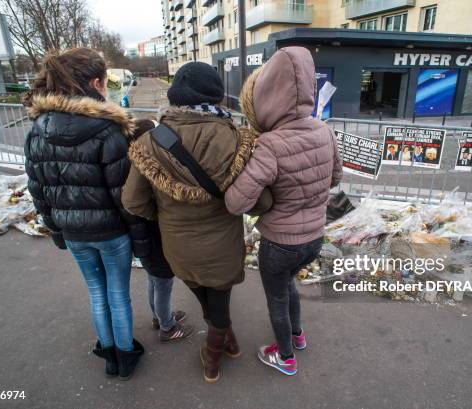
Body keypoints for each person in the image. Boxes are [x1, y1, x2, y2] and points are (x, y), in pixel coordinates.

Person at [122, 61, 271, 383]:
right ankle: (213, 357)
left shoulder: (149, 142)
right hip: (223, 246)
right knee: (218, 299)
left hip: (177, 246)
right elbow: (261, 201)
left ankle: (221, 346)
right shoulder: (237, 139)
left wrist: (165, 215)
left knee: (205, 298)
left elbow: (133, 201)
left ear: (175, 96)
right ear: (217, 97)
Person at [23, 48, 147, 380]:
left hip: (73, 232)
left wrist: (56, 229)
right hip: (111, 233)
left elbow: (37, 188)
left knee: (96, 291)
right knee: (117, 293)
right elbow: (123, 195)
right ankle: (124, 355)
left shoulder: (37, 128)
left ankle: (108, 354)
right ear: (95, 83)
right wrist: (138, 235)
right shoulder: (108, 130)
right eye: (106, 82)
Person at [225, 47, 343, 376]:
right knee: (289, 285)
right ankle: (297, 335)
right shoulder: (324, 130)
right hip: (314, 237)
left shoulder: (269, 145)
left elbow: (237, 203)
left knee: (277, 296)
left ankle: (286, 357)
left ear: (267, 95)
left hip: (280, 243)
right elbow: (335, 178)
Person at [129, 119, 194, 343]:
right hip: (155, 238)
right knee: (163, 283)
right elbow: (137, 202)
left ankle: (159, 317)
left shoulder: (132, 164)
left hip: (143, 241)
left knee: (154, 281)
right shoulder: (148, 167)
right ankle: (167, 327)